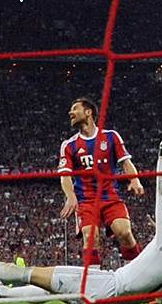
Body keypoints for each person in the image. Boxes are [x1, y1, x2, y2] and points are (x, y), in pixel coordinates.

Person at [0, 125, 162, 304]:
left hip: (104, 286)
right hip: (111, 301)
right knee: (52, 288)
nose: (158, 224)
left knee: (30, 274)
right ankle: (2, 291)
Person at [58, 97, 144, 267]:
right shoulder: (69, 145)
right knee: (90, 237)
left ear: (88, 112)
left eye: (75, 109)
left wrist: (135, 180)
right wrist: (71, 196)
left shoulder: (110, 136)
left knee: (124, 232)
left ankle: (136, 273)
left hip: (110, 196)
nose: (70, 113)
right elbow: (65, 176)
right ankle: (94, 279)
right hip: (86, 200)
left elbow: (126, 162)